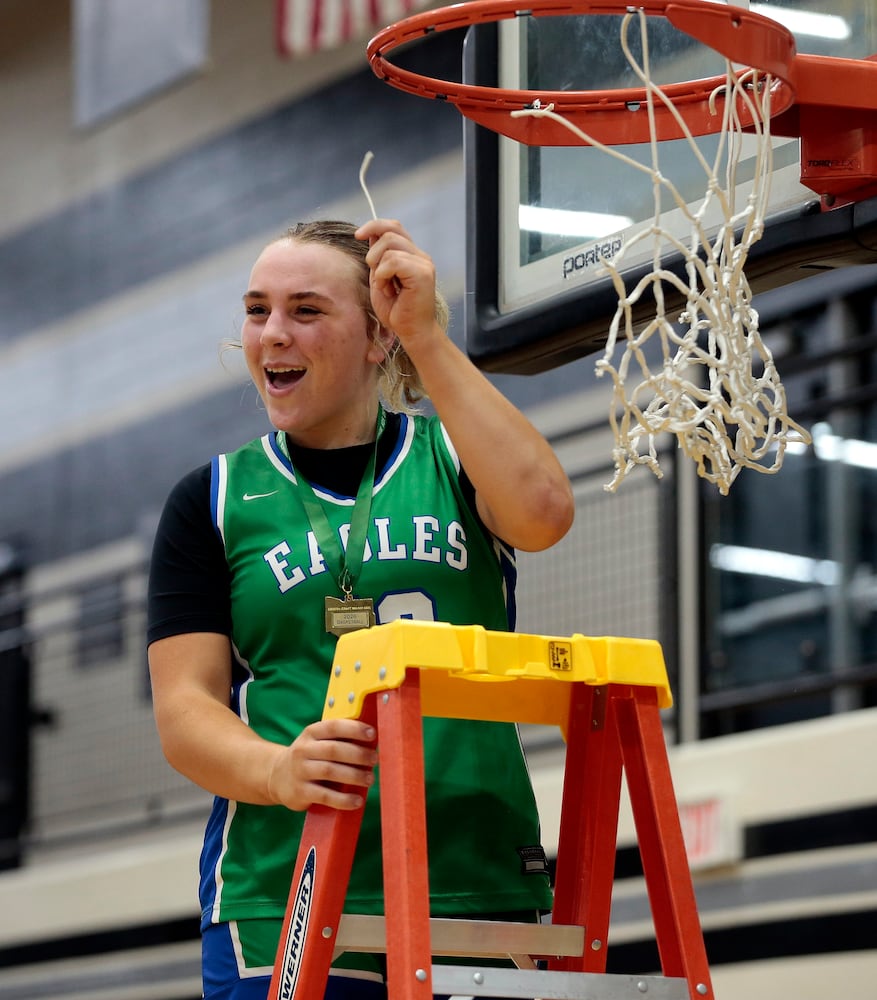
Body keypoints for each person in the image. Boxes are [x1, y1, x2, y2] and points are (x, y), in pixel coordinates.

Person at [147, 217, 575, 1000]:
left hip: (472, 879)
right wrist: (279, 770)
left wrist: (430, 338)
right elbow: (183, 711)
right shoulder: (210, 499)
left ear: (378, 338)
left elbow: (544, 513)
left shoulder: (453, 456)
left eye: (307, 311)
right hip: (284, 886)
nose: (273, 333)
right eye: (257, 310)